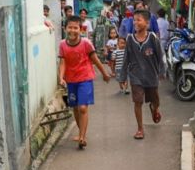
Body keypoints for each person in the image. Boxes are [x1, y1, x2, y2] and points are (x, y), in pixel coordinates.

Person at [59, 16, 110, 150]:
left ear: (80, 29)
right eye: (70, 27)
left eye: (75, 28)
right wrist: (61, 77)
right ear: (65, 29)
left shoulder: (86, 43)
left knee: (82, 108)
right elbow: (62, 62)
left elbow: (95, 59)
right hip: (71, 80)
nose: (73, 30)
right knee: (75, 107)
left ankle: (82, 137)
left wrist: (104, 73)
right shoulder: (62, 45)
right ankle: (80, 131)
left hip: (85, 78)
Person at [121, 10, 165, 140]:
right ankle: (140, 128)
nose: (135, 22)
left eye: (138, 20)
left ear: (147, 23)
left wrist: (162, 71)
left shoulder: (152, 38)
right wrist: (123, 77)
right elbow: (126, 59)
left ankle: (154, 108)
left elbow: (160, 56)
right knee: (137, 102)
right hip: (136, 76)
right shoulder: (129, 39)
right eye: (134, 20)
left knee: (155, 100)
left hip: (151, 76)